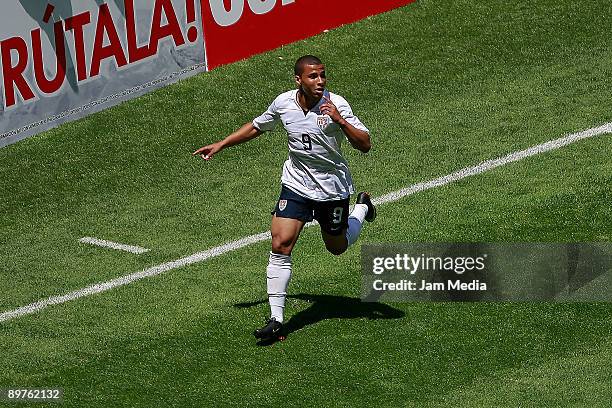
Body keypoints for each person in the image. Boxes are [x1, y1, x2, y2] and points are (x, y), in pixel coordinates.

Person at [193, 55, 376, 340]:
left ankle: (362, 208)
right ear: (298, 80)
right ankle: (276, 319)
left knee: (336, 247)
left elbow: (364, 144)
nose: (320, 81)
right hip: (296, 184)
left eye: (323, 75)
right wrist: (222, 144)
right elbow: (257, 126)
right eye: (313, 76)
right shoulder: (284, 103)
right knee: (280, 243)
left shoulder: (336, 104)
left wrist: (339, 121)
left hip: (331, 189)